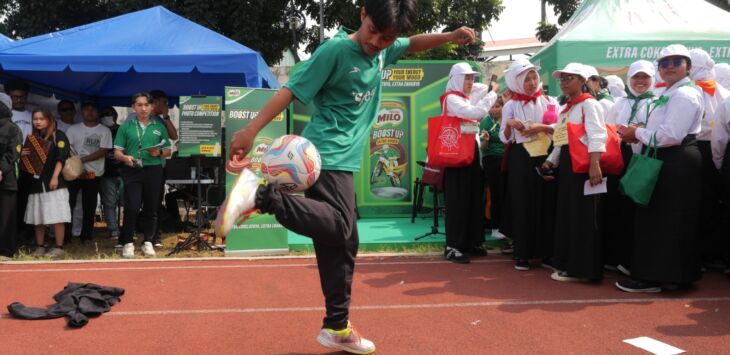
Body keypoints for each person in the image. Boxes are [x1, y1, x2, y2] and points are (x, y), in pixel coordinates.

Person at [225, 1, 475, 352]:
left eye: (387, 38)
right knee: (342, 229)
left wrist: (450, 35)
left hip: (343, 159)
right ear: (362, 15)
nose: (377, 42)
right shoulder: (337, 50)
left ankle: (337, 326)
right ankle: (261, 196)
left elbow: (414, 42)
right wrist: (251, 130)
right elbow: (291, 90)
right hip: (325, 155)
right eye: (373, 31)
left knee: (341, 242)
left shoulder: (382, 53)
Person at [616, 44, 703, 293]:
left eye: (676, 62)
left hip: (675, 158)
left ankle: (654, 276)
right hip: (667, 158)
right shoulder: (671, 93)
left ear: (688, 66)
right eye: (664, 63)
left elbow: (671, 134)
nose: (670, 67)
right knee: (663, 219)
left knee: (666, 219)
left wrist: (638, 132)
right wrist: (640, 134)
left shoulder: (684, 95)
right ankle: (668, 274)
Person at [543, 63, 607, 282]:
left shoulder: (590, 105)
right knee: (570, 215)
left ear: (582, 81)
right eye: (562, 79)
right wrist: (551, 162)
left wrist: (594, 164)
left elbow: (598, 135)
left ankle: (584, 269)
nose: (563, 82)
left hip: (585, 166)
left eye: (569, 78)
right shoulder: (568, 107)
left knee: (585, 217)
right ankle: (570, 263)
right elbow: (561, 141)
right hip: (571, 165)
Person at [499, 59, 557, 271]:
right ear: (516, 82)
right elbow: (504, 138)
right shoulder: (511, 105)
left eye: (534, 78)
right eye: (527, 79)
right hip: (521, 158)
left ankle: (547, 253)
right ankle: (522, 252)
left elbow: (559, 128)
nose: (533, 83)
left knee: (546, 202)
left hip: (547, 156)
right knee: (522, 202)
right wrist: (509, 126)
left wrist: (540, 127)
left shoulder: (550, 101)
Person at [603, 60, 657, 276]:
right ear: (629, 79)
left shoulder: (657, 103)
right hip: (621, 157)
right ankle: (616, 256)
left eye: (645, 77)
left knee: (638, 209)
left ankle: (634, 260)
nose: (640, 81)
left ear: (653, 79)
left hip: (644, 158)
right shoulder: (620, 103)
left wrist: (639, 131)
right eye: (636, 77)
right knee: (618, 208)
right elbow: (609, 129)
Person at [440, 62, 496, 264]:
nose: (471, 82)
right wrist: (493, 94)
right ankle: (453, 246)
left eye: (472, 77)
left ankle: (472, 241)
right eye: (466, 78)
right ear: (455, 79)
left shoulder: (464, 97)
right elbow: (476, 114)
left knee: (473, 197)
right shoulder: (452, 99)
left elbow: (479, 90)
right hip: (456, 154)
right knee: (458, 200)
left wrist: (481, 87)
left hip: (471, 152)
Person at [114, 93, 172, 258]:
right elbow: (117, 152)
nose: (143, 108)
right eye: (139, 105)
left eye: (146, 105)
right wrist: (125, 158)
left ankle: (148, 241)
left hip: (154, 169)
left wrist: (159, 152)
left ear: (152, 107)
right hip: (133, 169)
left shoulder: (159, 126)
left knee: (152, 208)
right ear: (133, 107)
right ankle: (127, 242)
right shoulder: (126, 127)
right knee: (131, 207)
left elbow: (168, 150)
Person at [688, 48, 729, 269]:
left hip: (696, 148)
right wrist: (719, 162)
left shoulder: (686, 91)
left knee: (697, 201)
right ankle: (710, 252)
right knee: (712, 202)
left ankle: (701, 251)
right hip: (712, 152)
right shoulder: (723, 92)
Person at [21, 109, 72, 258]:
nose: (38, 121)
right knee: (38, 217)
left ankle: (59, 247)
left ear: (49, 120)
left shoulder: (58, 135)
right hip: (36, 184)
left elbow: (61, 158)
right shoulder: (33, 139)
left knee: (57, 216)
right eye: (35, 119)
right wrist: (22, 154)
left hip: (54, 183)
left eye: (41, 119)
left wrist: (55, 177)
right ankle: (40, 246)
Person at [65, 101, 113, 243]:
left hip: (93, 173)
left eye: (93, 109)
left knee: (90, 205)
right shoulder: (73, 130)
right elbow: (67, 149)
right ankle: (66, 235)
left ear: (97, 112)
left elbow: (103, 150)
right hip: (74, 173)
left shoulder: (104, 131)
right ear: (81, 112)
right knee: (69, 203)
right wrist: (76, 162)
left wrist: (82, 160)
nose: (90, 112)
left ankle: (86, 235)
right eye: (86, 109)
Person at [149, 89, 178, 248]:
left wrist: (166, 116)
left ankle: (156, 235)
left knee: (156, 202)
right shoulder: (136, 119)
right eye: (165, 103)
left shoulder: (161, 121)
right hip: (141, 167)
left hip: (159, 167)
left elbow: (174, 136)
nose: (167, 106)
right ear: (156, 102)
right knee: (138, 202)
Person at [480, 96, 507, 240]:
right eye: (493, 106)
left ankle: (507, 227)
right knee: (496, 194)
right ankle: (495, 227)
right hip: (491, 159)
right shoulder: (486, 121)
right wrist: (485, 140)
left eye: (498, 106)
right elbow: (482, 148)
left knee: (507, 194)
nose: (495, 109)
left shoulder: (508, 118)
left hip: (507, 159)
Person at [0, 93, 22, 260]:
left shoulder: (13, 128)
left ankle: (6, 250)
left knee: (7, 215)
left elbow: (13, 152)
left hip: (6, 179)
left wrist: (1, 168)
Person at [99, 107, 123, 241]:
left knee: (131, 201)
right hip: (106, 172)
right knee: (109, 203)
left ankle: (130, 227)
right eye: (103, 115)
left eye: (108, 114)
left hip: (124, 171)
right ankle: (113, 229)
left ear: (115, 115)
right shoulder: (99, 131)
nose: (106, 117)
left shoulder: (123, 130)